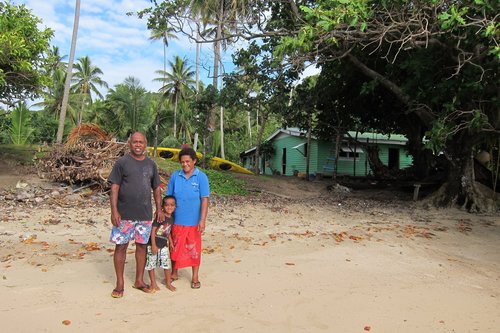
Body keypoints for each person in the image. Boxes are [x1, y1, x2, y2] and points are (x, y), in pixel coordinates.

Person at [108, 132, 164, 298]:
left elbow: (156, 188)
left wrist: (159, 208)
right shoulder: (122, 163)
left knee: (141, 247)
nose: (138, 145)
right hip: (124, 214)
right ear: (129, 144)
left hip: (145, 215)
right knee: (121, 246)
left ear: (145, 144)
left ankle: (139, 280)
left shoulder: (151, 165)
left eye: (141, 142)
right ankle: (119, 283)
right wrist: (114, 210)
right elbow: (114, 188)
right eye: (135, 142)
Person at [166, 147, 210, 289]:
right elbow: (168, 198)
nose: (185, 164)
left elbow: (204, 200)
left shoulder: (201, 177)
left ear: (194, 161)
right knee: (174, 247)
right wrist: (166, 216)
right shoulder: (175, 176)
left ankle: (195, 277)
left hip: (193, 222)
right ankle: (174, 272)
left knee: (194, 249)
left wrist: (202, 220)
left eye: (188, 161)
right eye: (182, 162)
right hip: (176, 220)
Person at [146, 195, 176, 292]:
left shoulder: (172, 218)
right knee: (151, 264)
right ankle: (153, 283)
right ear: (162, 206)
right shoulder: (160, 217)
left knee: (166, 264)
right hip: (153, 245)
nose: (169, 207)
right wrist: (153, 245)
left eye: (172, 205)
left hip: (163, 245)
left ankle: (168, 283)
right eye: (167, 205)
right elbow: (153, 231)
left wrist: (170, 242)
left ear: (175, 206)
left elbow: (168, 231)